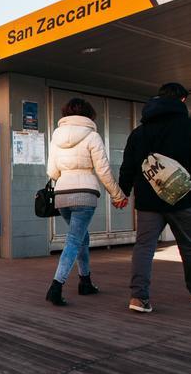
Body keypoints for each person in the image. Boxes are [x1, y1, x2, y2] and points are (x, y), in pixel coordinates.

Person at [118, 82, 191, 313]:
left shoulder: (139, 133)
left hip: (147, 203)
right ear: (182, 100)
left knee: (144, 247)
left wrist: (123, 192)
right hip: (184, 199)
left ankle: (139, 298)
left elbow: (127, 168)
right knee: (190, 246)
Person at [45, 97, 128, 306]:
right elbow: (103, 171)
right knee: (74, 240)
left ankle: (85, 282)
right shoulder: (92, 136)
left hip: (62, 195)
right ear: (90, 115)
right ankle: (56, 285)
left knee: (81, 237)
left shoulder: (56, 137)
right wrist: (117, 195)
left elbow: (52, 171)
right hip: (85, 195)